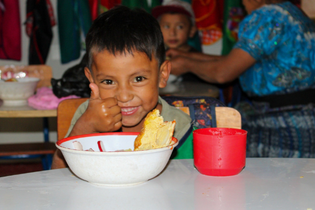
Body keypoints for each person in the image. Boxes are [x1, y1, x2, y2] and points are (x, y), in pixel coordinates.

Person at [166, 0, 315, 158]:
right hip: (305, 117)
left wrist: (186, 64)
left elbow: (223, 73)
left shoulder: (267, 16)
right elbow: (234, 61)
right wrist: (187, 56)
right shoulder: (295, 14)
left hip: (280, 124)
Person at [51, 6, 193, 169]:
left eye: (138, 79)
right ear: (91, 79)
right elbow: (57, 174)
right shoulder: (88, 116)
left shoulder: (178, 127)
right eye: (108, 82)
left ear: (162, 75)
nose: (124, 97)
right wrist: (86, 125)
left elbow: (188, 184)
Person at [152, 0, 204, 82]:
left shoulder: (199, 60)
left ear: (191, 31)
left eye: (180, 27)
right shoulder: (157, 56)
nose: (172, 33)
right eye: (166, 26)